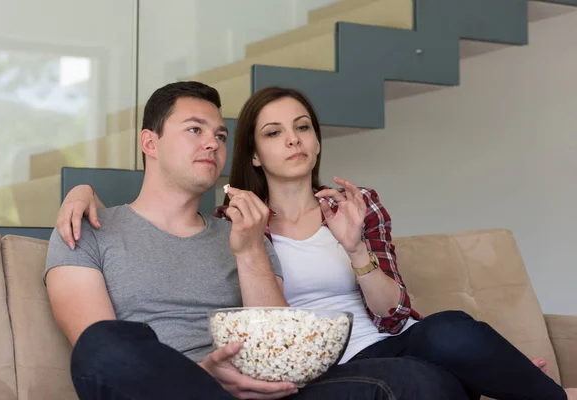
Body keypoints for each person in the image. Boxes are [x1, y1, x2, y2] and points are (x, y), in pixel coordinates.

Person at [46, 81, 469, 400]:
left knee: (420, 379)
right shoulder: (84, 231)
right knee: (105, 345)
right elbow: (98, 350)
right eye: (195, 129)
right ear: (149, 142)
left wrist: (248, 251)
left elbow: (279, 341)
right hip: (171, 389)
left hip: (262, 392)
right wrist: (204, 374)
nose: (212, 142)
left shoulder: (246, 233)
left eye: (220, 135)